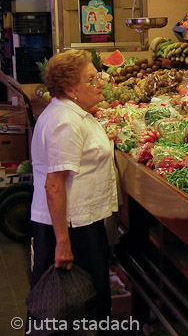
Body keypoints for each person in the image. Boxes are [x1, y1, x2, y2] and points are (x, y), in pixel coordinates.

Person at [29, 49, 118, 324]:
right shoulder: (65, 122)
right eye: (91, 79)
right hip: (71, 229)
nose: (99, 83)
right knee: (75, 308)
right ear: (70, 88)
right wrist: (63, 244)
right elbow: (53, 186)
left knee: (82, 307)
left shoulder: (72, 112)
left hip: (79, 223)